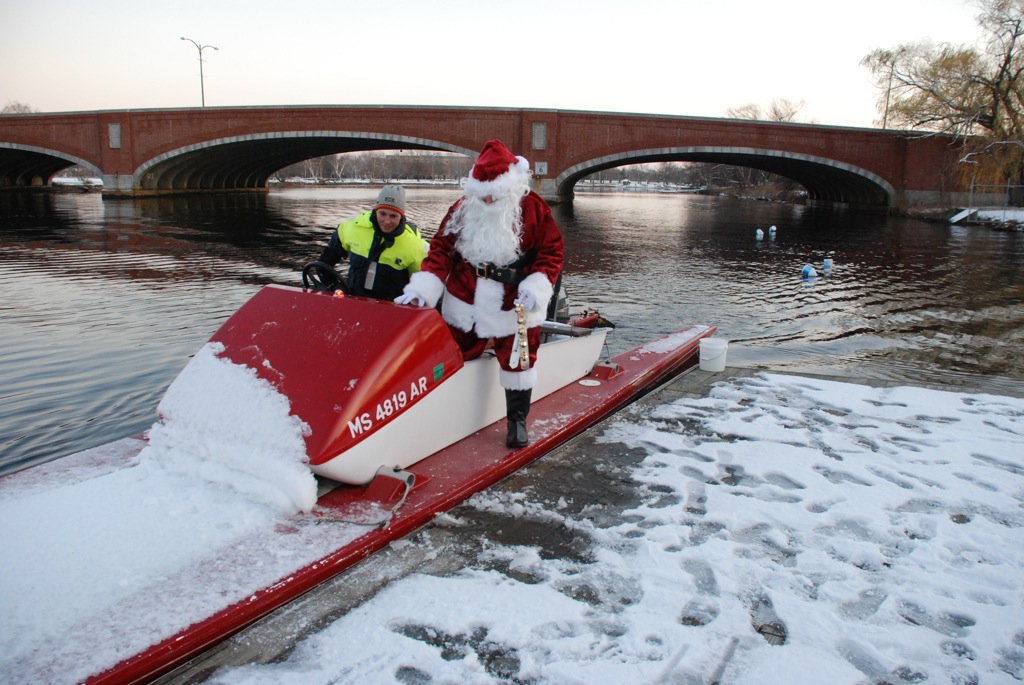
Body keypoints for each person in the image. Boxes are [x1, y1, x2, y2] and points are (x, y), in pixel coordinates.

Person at [395, 140, 564, 448]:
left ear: (510, 187)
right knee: (448, 352)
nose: (487, 200)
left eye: (493, 195)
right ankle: (440, 412)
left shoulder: (533, 209)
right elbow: (441, 249)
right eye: (482, 195)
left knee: (519, 360)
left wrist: (536, 287)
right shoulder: (463, 208)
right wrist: (423, 288)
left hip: (514, 300)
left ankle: (517, 420)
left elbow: (551, 252)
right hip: (465, 296)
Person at [316, 185, 428, 301]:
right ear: (375, 210)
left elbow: (425, 286)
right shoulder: (351, 228)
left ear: (401, 216)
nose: (387, 221)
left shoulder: (416, 246)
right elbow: (323, 264)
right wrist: (334, 286)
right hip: (353, 302)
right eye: (382, 213)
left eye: (393, 216)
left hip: (391, 307)